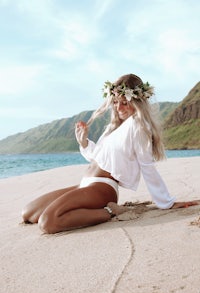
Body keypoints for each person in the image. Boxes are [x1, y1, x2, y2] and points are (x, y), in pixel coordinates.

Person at [21, 73, 198, 234]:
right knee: (28, 213)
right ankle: (90, 210)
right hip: (85, 184)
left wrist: (166, 202)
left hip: (103, 188)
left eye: (124, 102)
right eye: (115, 101)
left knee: (47, 222)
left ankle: (110, 211)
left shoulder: (139, 126)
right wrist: (83, 142)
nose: (119, 107)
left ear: (136, 101)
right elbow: (97, 157)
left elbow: (147, 166)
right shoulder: (113, 127)